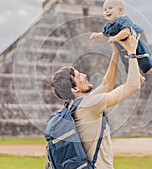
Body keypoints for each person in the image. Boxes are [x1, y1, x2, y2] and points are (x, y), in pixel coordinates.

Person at [50, 35, 141, 169]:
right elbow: (133, 85)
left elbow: (107, 84)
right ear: (74, 88)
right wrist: (132, 52)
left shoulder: (75, 106)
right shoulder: (90, 105)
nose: (84, 75)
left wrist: (115, 53)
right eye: (78, 75)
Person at [90, 0, 152, 78]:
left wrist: (115, 38)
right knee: (130, 68)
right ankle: (139, 78)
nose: (107, 11)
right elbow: (104, 36)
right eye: (105, 10)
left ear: (120, 11)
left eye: (110, 8)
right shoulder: (108, 26)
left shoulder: (124, 20)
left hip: (137, 48)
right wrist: (97, 36)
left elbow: (126, 32)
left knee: (148, 68)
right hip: (124, 50)